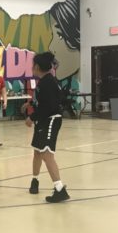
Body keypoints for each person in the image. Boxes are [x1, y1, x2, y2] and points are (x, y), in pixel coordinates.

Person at [26, 52, 70, 203]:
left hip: (51, 119)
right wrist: (31, 104)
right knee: (37, 151)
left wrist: (32, 117)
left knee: (46, 153)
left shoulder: (48, 82)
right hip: (43, 120)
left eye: (33, 65)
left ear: (37, 67)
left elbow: (50, 106)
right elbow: (43, 100)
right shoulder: (45, 81)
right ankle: (35, 181)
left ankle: (59, 189)